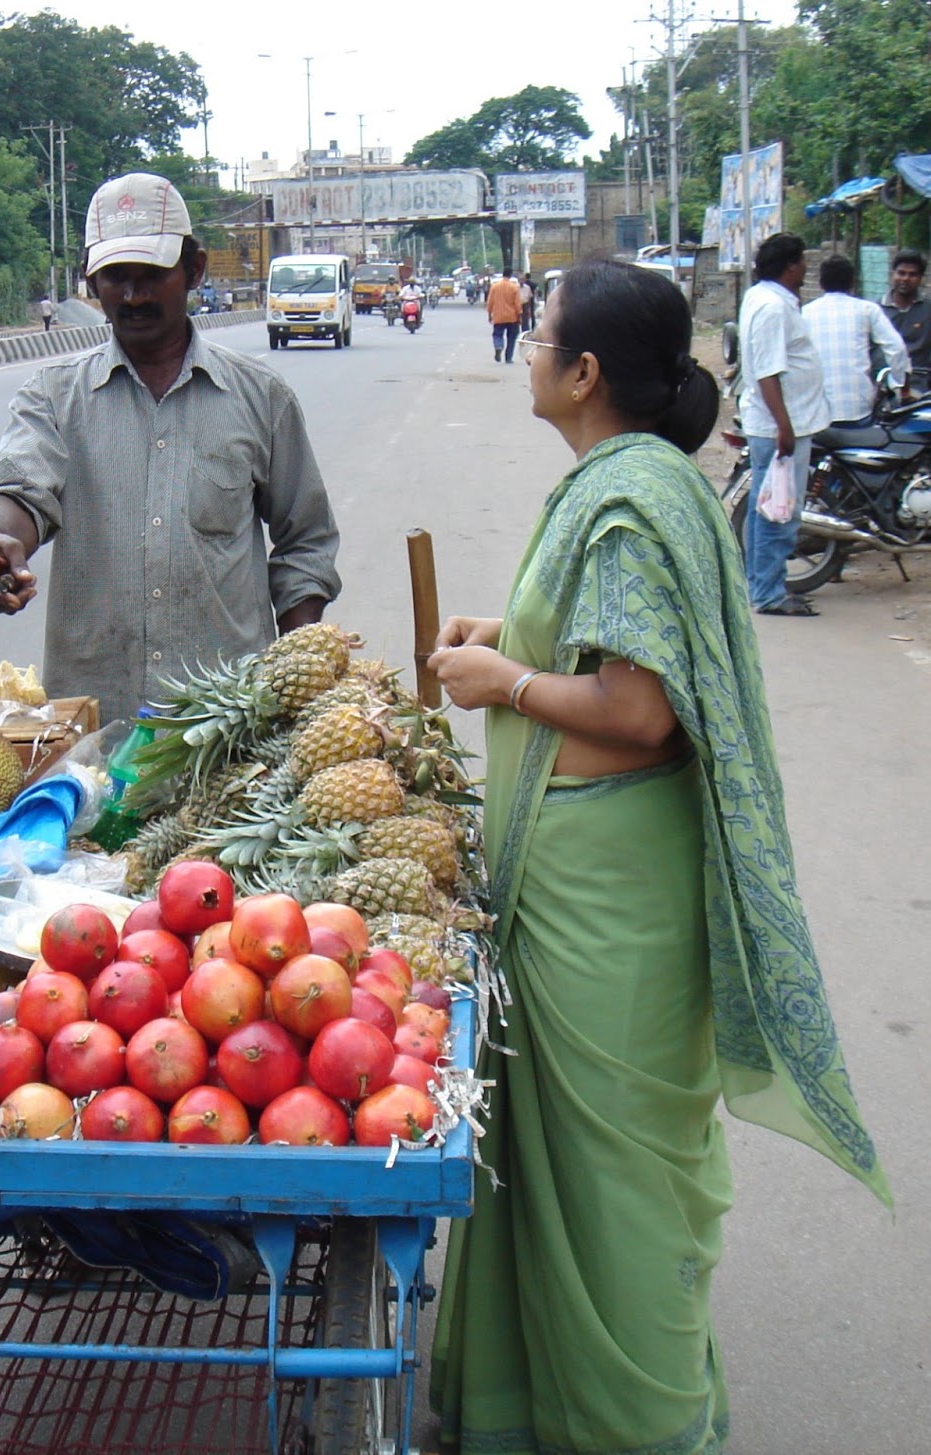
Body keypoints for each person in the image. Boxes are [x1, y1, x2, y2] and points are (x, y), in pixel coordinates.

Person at [426, 259, 889, 1455]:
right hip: (593, 879)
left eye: (540, 341)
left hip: (605, 907)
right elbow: (597, 640)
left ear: (584, 375)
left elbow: (640, 712)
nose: (525, 351)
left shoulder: (629, 498)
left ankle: (633, 1428)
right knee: (577, 1177)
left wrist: (507, 682)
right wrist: (506, 631)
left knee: (613, 1190)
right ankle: (547, 1412)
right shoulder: (629, 480)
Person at [0, 171, 341, 723]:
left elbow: (305, 541)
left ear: (192, 270)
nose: (133, 294)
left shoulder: (261, 397)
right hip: (97, 725)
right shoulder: (52, 396)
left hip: (231, 727)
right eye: (115, 276)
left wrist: (295, 674)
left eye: (151, 274)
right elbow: (21, 491)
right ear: (90, 282)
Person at [737, 232, 830, 617]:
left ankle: (762, 586)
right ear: (791, 265)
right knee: (779, 511)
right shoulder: (772, 307)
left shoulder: (766, 300)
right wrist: (784, 426)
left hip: (781, 421)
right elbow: (768, 372)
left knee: (767, 509)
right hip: (778, 425)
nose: (806, 268)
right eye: (802, 262)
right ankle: (770, 593)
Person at [803, 254, 910, 424]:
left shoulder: (805, 313)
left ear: (821, 283)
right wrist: (898, 385)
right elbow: (897, 348)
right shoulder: (867, 309)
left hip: (816, 411)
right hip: (859, 408)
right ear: (852, 282)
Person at [880, 247, 931, 388]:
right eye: (901, 273)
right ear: (893, 274)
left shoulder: (928, 309)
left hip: (921, 386)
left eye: (912, 274)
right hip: (884, 385)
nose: (905, 279)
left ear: (921, 278)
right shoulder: (876, 310)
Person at [487, 267, 523, 362]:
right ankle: (508, 357)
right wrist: (519, 316)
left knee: (497, 334)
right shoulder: (514, 287)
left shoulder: (495, 287)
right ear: (510, 275)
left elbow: (490, 302)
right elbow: (517, 304)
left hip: (498, 316)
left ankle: (498, 346)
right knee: (511, 338)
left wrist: (490, 314)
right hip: (512, 317)